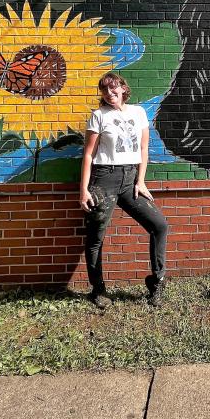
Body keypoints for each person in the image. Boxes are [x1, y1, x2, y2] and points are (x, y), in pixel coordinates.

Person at [80, 72, 169, 307]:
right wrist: (84, 190)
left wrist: (141, 181)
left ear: (123, 88)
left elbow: (143, 149)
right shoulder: (98, 116)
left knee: (159, 225)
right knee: (96, 237)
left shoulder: (138, 113)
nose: (110, 93)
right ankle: (98, 290)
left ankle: (157, 282)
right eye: (105, 90)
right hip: (104, 180)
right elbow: (88, 155)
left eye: (113, 88)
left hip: (130, 180)